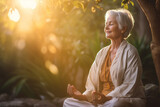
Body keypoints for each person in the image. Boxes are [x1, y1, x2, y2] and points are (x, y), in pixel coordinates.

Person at [63, 8, 146, 107]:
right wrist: (81, 96)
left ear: (123, 28)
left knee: (115, 104)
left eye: (110, 24)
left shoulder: (131, 52)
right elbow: (91, 85)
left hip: (121, 100)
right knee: (68, 102)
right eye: (106, 24)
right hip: (101, 101)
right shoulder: (101, 53)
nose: (106, 27)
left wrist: (106, 98)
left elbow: (129, 85)